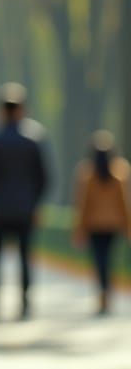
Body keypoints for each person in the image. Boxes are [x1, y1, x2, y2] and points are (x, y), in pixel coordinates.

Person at [0, 82, 49, 320]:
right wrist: (37, 203)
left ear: (1, 110)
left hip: (0, 207)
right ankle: (25, 301)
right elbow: (44, 177)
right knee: (25, 256)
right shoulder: (34, 138)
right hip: (26, 208)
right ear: (21, 109)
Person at [72, 130, 130, 315]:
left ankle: (102, 293)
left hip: (94, 225)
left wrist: (79, 228)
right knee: (109, 260)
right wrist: (127, 226)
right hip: (112, 224)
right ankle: (107, 293)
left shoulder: (87, 173)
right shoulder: (120, 171)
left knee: (99, 260)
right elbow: (124, 203)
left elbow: (83, 204)